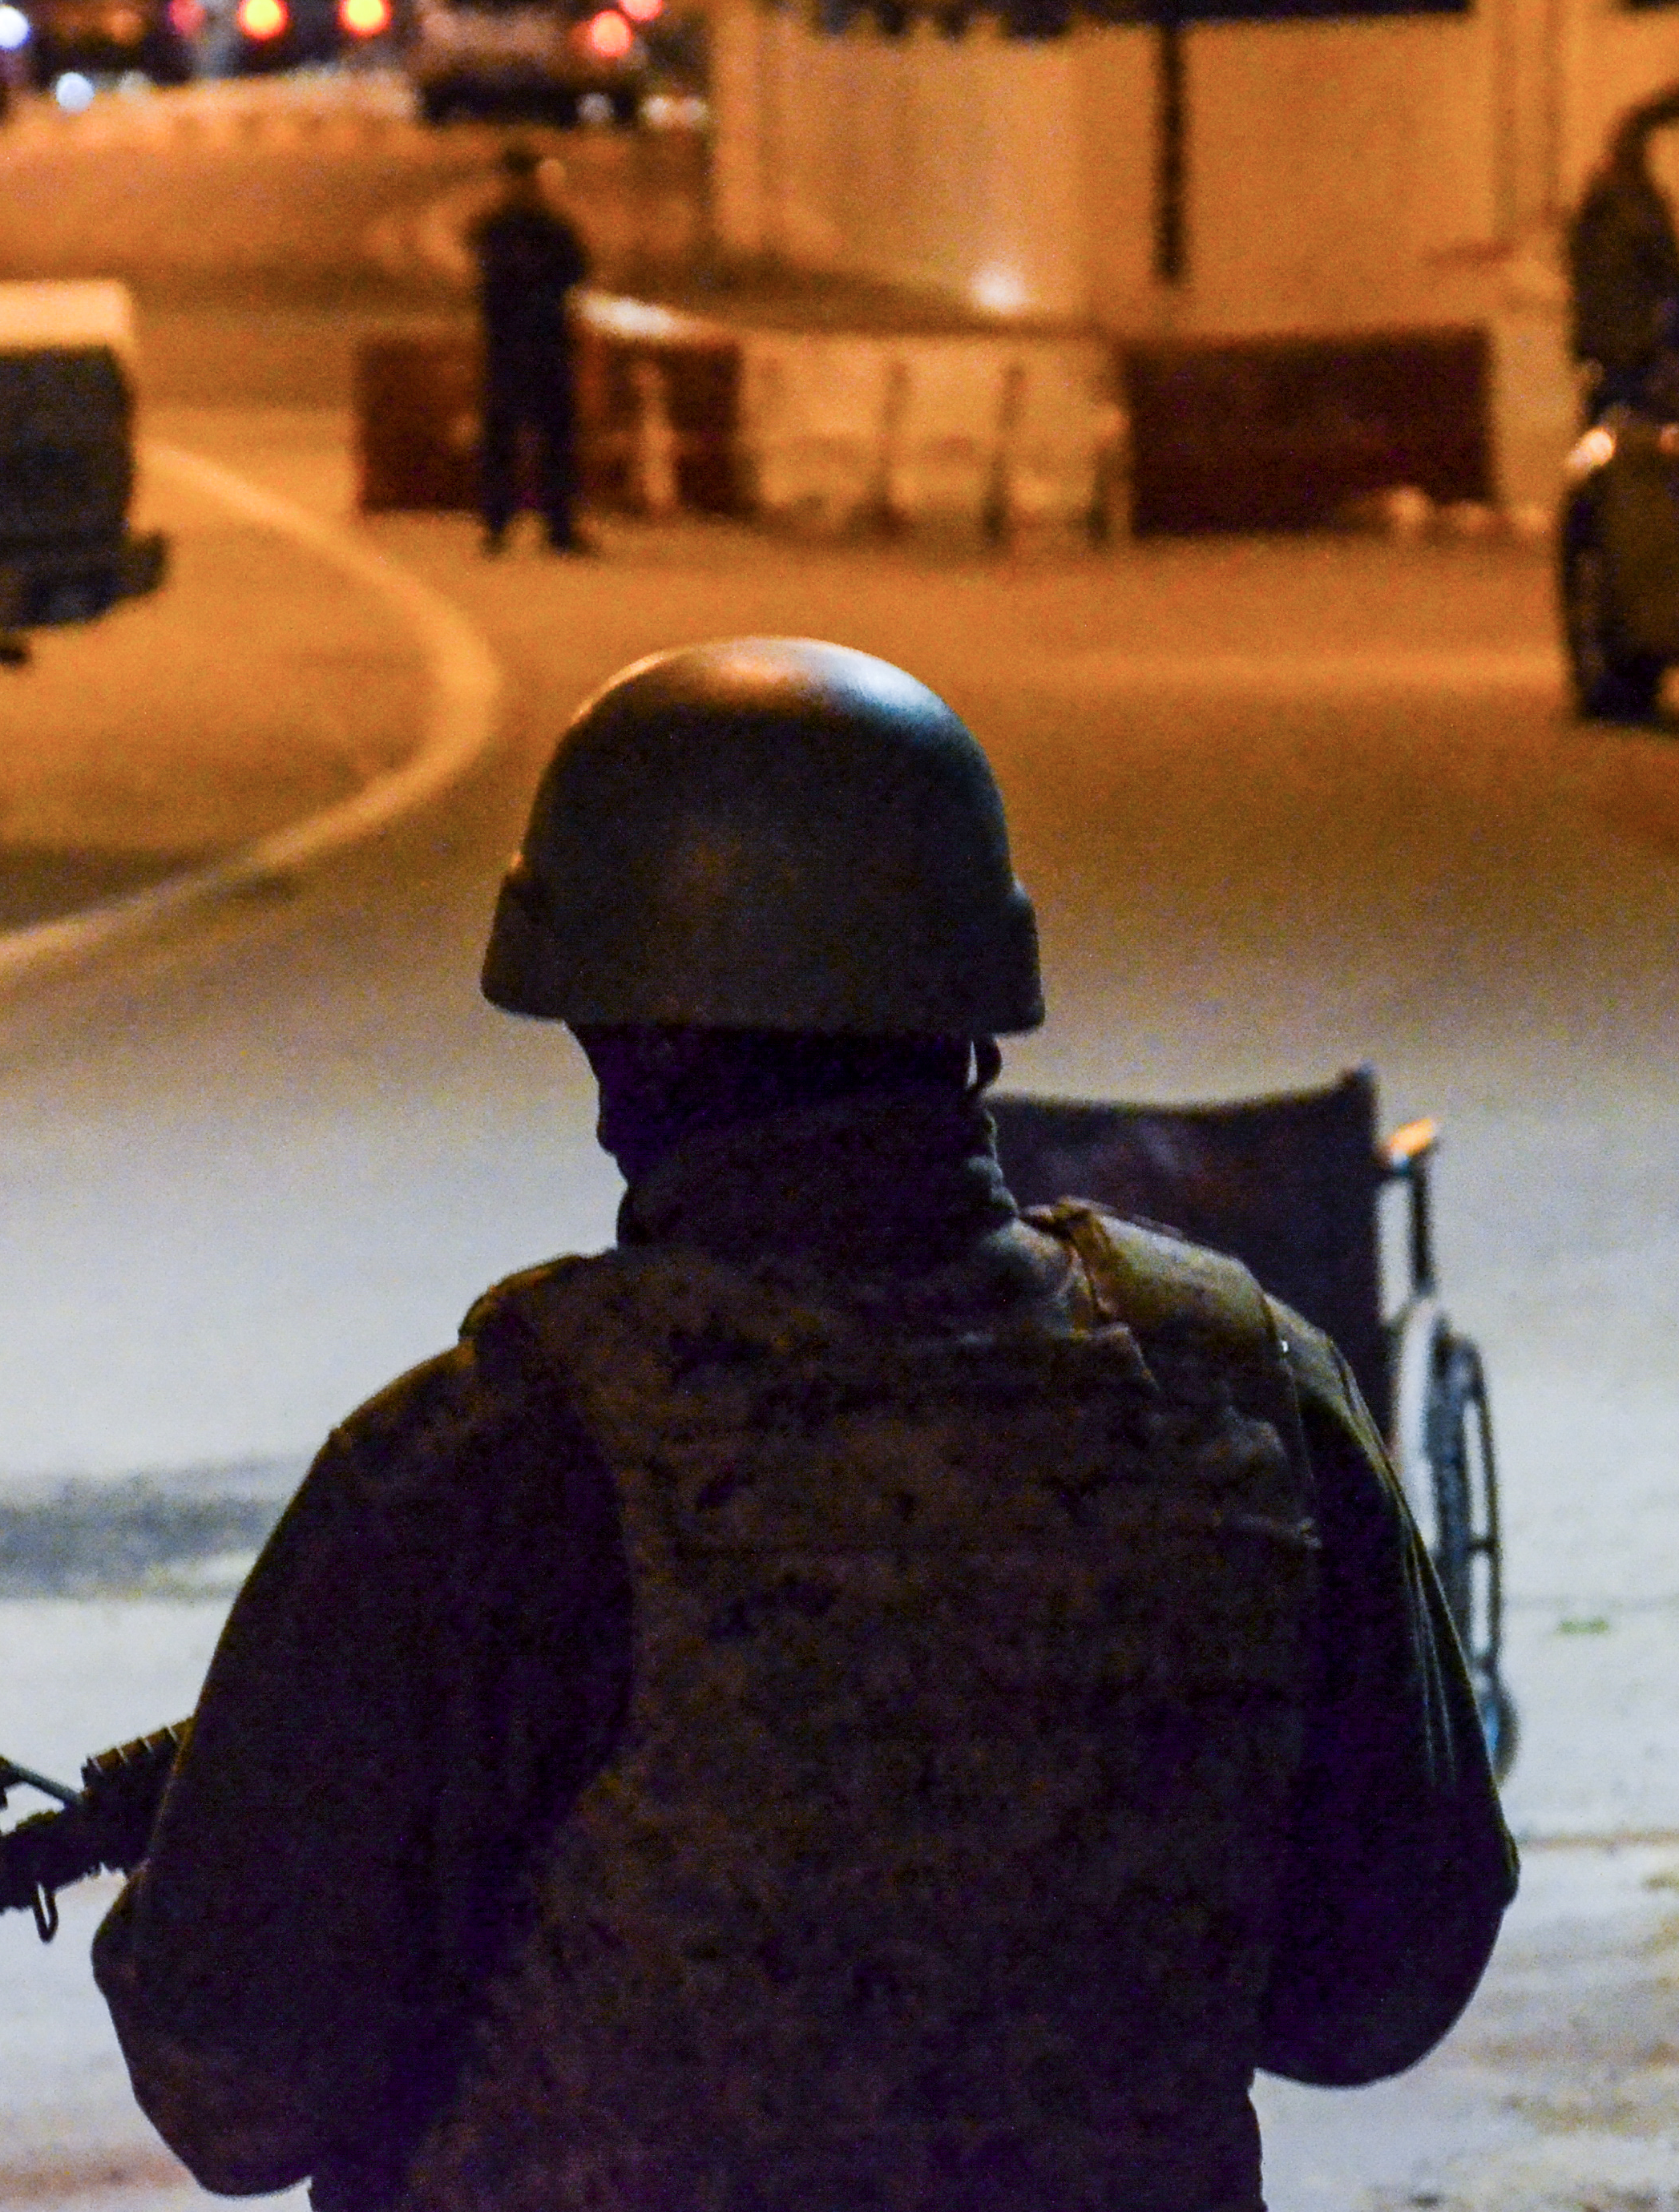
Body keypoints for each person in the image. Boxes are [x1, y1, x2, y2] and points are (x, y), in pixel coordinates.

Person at [92, 638, 1516, 2212]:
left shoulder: (485, 1466)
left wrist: (232, 1847)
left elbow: (234, 2086)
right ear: (971, 1014)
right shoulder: (1245, 1386)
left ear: (622, 1043)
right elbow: (1382, 1985)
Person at [470, 141, 591, 556]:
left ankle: (553, 525)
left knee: (551, 438)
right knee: (508, 439)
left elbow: (576, 271)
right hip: (517, 347)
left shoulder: (540, 229)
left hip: (539, 347)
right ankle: (504, 523)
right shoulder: (503, 229)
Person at [1566, 117, 1679, 425]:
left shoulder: (1597, 204)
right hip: (1633, 339)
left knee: (1605, 416)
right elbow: (1669, 266)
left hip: (1606, 337)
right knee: (1637, 415)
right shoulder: (1643, 205)